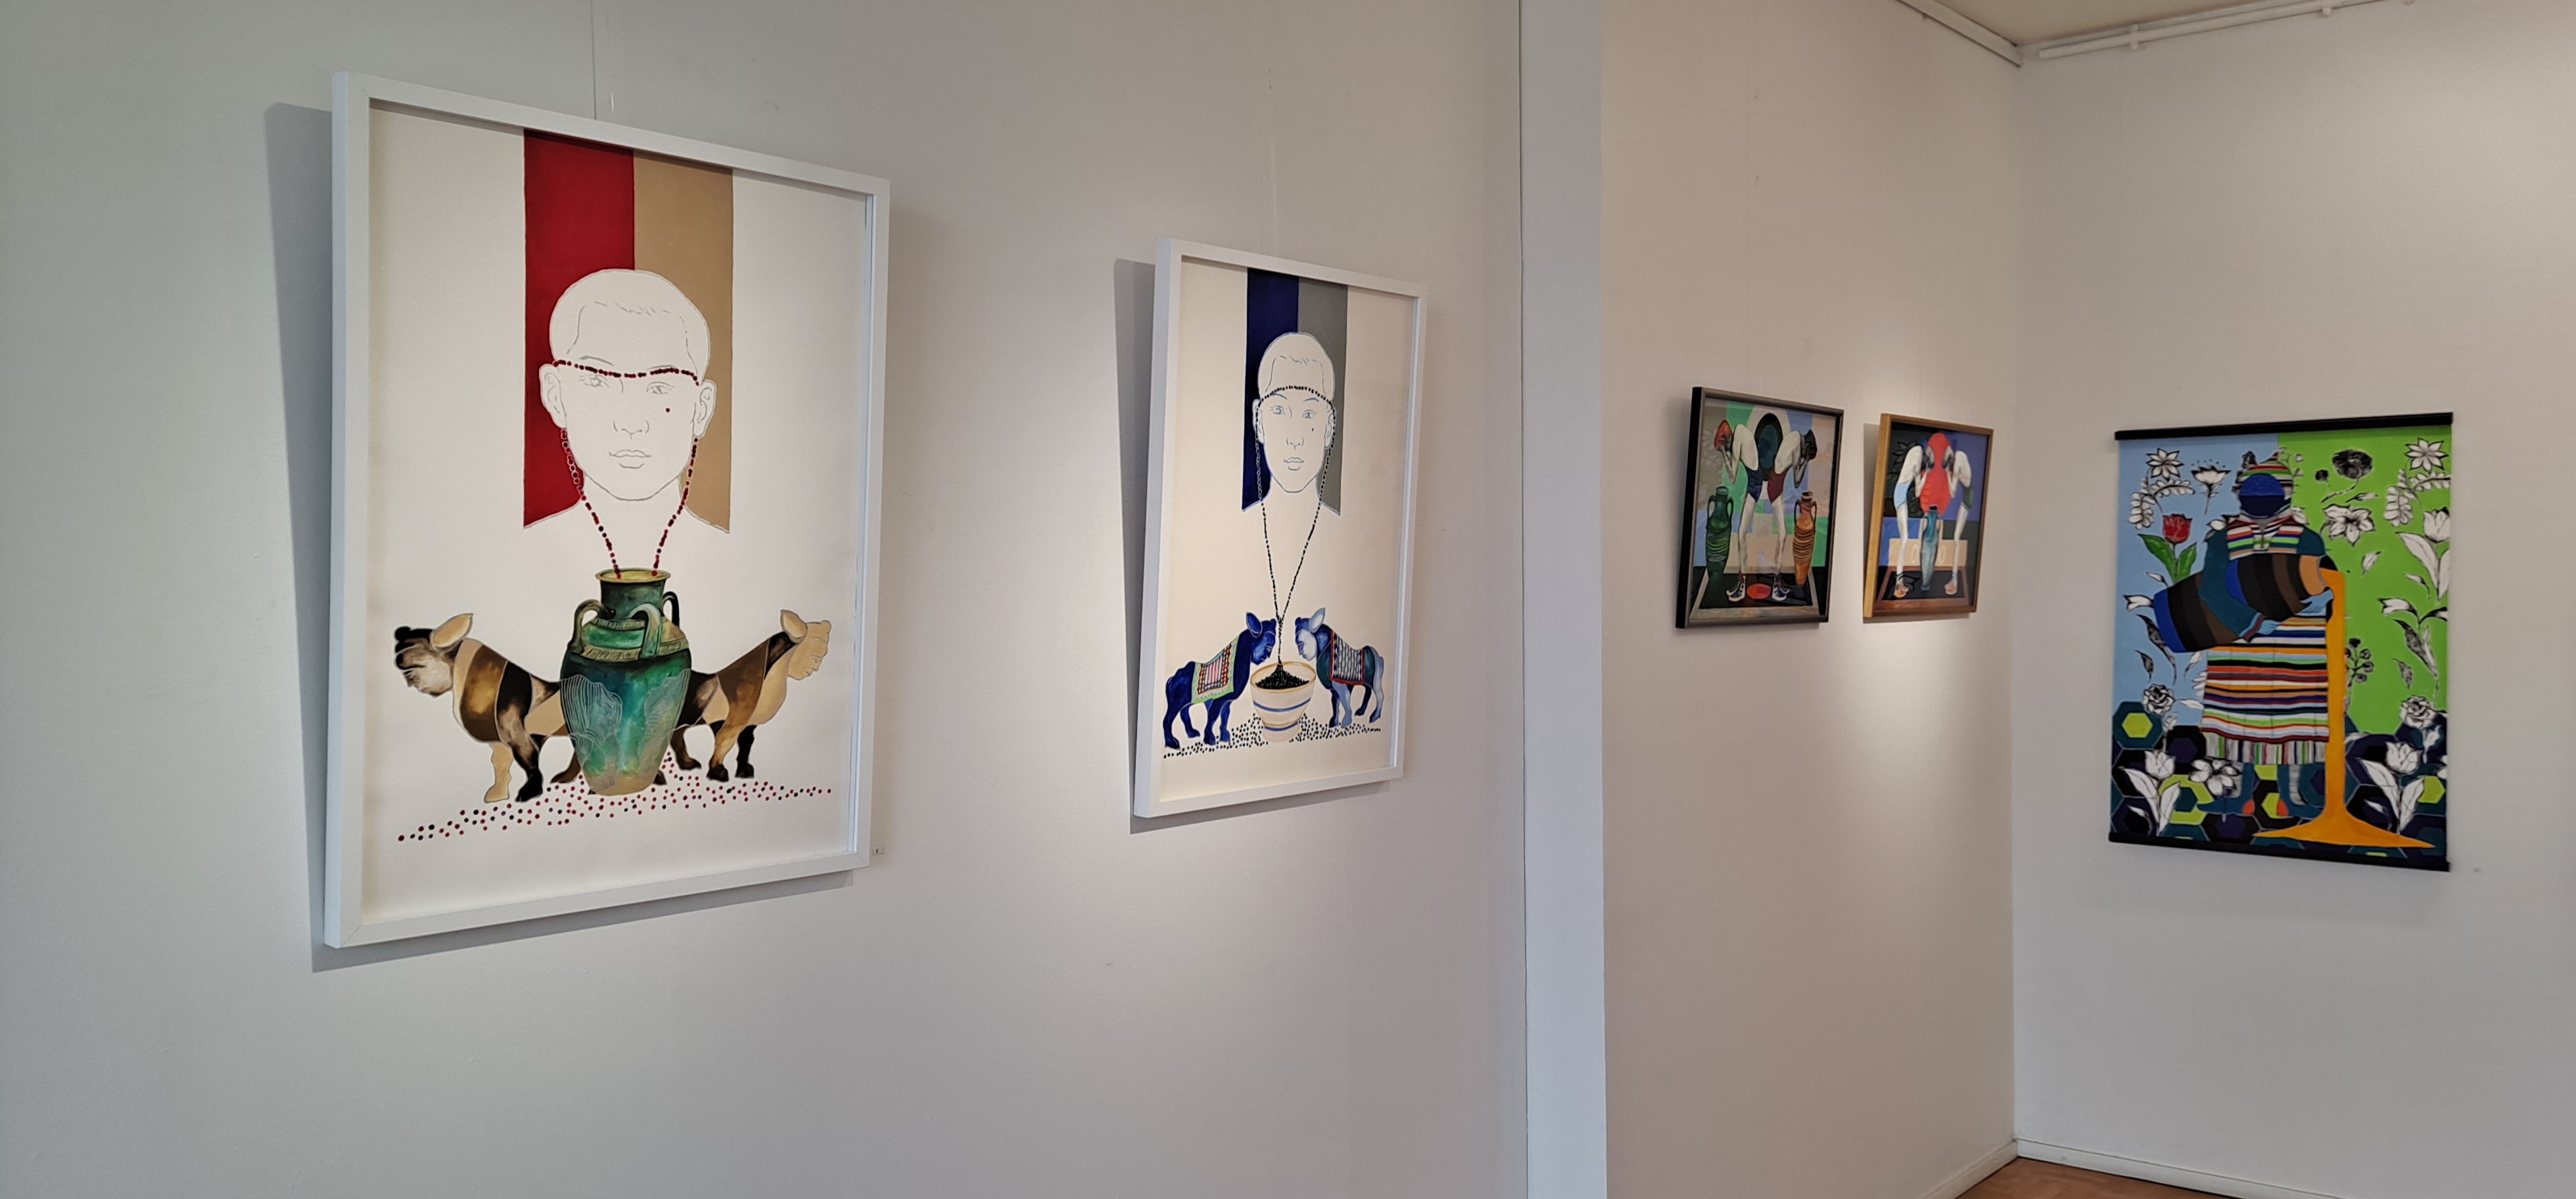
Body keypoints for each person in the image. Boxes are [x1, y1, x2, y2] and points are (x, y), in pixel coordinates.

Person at [536, 269, 720, 571]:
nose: (630, 423)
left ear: (701, 408)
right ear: (555, 396)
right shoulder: (522, 554)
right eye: (597, 382)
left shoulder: (738, 557)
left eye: (659, 388)